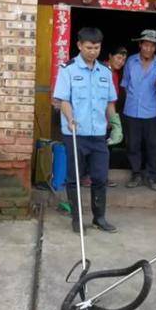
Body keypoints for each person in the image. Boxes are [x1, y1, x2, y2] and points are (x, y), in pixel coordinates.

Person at [53, 27, 123, 234]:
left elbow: (110, 103)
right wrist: (70, 118)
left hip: (98, 135)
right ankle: (77, 220)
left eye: (97, 47)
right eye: (89, 47)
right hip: (75, 133)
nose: (93, 51)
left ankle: (99, 218)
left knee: (100, 177)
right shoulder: (68, 69)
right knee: (74, 178)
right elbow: (63, 100)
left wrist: (116, 124)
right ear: (79, 46)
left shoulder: (105, 71)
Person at [121, 29, 156, 190]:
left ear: (155, 47)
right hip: (131, 111)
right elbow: (125, 85)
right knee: (133, 144)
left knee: (152, 144)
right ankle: (136, 174)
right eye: (146, 45)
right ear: (140, 45)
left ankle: (151, 176)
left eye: (152, 46)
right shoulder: (130, 62)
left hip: (151, 111)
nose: (149, 49)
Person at [81, 46, 128, 189]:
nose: (121, 62)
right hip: (97, 117)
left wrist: (112, 120)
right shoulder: (101, 70)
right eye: (118, 58)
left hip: (107, 116)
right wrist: (107, 118)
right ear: (110, 56)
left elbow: (112, 99)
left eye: (124, 60)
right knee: (94, 148)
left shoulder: (114, 73)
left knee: (104, 149)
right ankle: (88, 177)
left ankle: (100, 177)